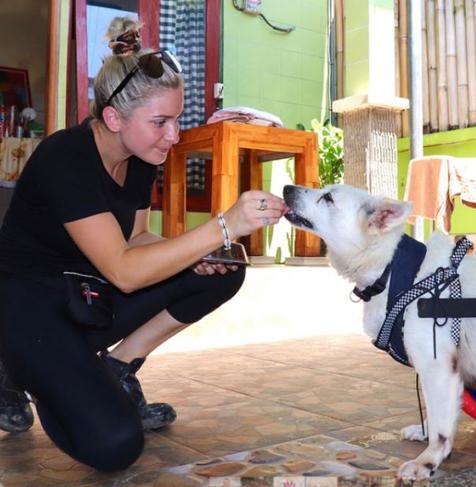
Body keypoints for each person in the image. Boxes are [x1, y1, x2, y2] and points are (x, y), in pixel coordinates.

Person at [0, 27, 285, 471]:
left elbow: (135, 241)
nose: (173, 135)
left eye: (176, 119)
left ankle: (116, 366)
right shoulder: (66, 159)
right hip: (26, 305)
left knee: (221, 268)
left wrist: (197, 254)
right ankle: (15, 369)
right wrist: (223, 226)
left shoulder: (139, 159)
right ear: (114, 118)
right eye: (160, 122)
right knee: (114, 444)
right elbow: (126, 272)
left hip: (85, 293)